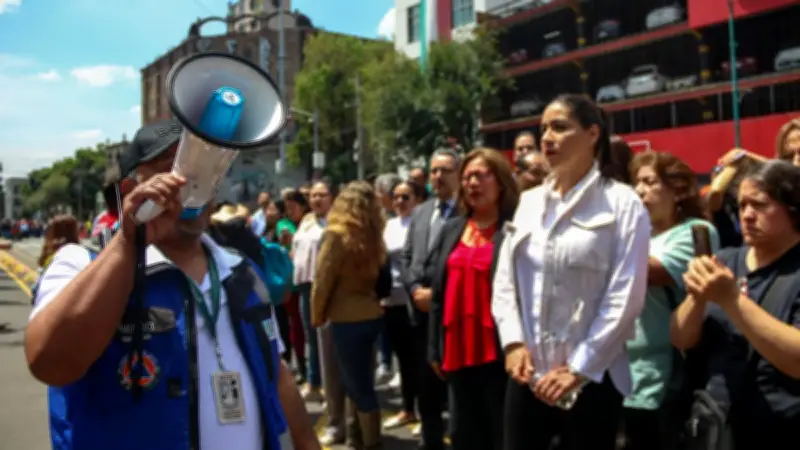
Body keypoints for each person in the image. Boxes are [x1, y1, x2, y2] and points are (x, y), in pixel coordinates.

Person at [24, 119, 320, 450]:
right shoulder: (80, 263)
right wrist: (129, 243)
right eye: (174, 170)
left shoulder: (241, 270)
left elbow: (276, 375)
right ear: (129, 190)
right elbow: (49, 363)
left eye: (202, 171)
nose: (192, 185)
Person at [491, 95, 651, 450]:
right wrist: (513, 342)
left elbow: (626, 297)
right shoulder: (529, 202)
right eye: (543, 129)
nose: (547, 138)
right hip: (528, 374)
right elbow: (505, 281)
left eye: (560, 127)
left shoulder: (623, 204)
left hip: (592, 378)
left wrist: (579, 368)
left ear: (593, 133)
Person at [672, 160, 800, 449]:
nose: (747, 215)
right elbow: (680, 338)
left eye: (760, 205)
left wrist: (730, 299)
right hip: (715, 426)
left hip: (780, 428)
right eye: (742, 205)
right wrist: (697, 297)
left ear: (793, 209)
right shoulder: (725, 260)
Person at [623, 151, 720, 450]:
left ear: (677, 191)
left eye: (650, 182)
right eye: (637, 182)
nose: (639, 190)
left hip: (664, 375)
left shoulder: (694, 232)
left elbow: (649, 273)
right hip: (624, 375)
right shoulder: (632, 237)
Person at [426, 148, 519, 450]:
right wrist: (434, 348)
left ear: (501, 182)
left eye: (480, 176)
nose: (472, 183)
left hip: (498, 353)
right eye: (467, 178)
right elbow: (438, 294)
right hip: (457, 351)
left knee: (500, 434)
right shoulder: (452, 229)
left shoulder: (515, 229)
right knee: (463, 434)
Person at [311, 180, 389, 450]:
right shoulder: (374, 235)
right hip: (371, 314)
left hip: (345, 318)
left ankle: (371, 442)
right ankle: (357, 436)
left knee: (355, 384)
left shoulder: (335, 235)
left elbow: (323, 280)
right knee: (362, 378)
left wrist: (317, 314)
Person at [401, 148, 461, 449]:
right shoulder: (422, 212)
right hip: (420, 316)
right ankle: (431, 439)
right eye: (434, 170)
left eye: (445, 170)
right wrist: (414, 290)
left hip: (452, 314)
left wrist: (436, 297)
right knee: (426, 387)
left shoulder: (468, 211)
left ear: (458, 174)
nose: (438, 176)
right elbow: (407, 257)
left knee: (456, 389)